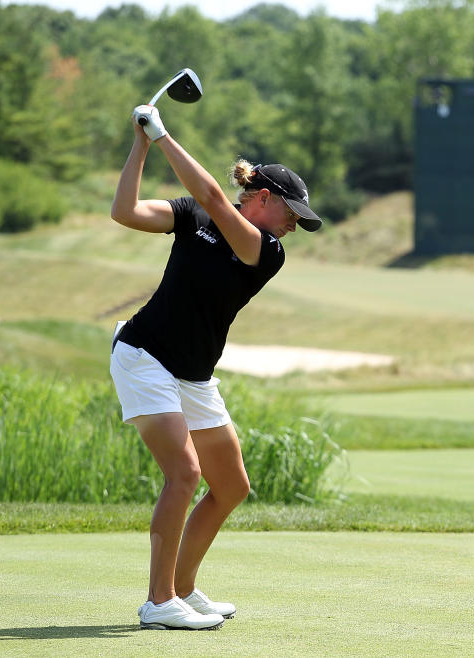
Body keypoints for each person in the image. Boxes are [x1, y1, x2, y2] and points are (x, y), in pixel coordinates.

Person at [109, 104, 322, 630]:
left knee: (231, 486)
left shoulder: (266, 250)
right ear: (263, 198)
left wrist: (164, 135)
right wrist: (142, 141)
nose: (295, 225)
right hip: (144, 356)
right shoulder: (194, 217)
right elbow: (126, 211)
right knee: (184, 473)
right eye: (290, 212)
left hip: (194, 374)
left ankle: (182, 589)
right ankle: (159, 602)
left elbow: (210, 197)